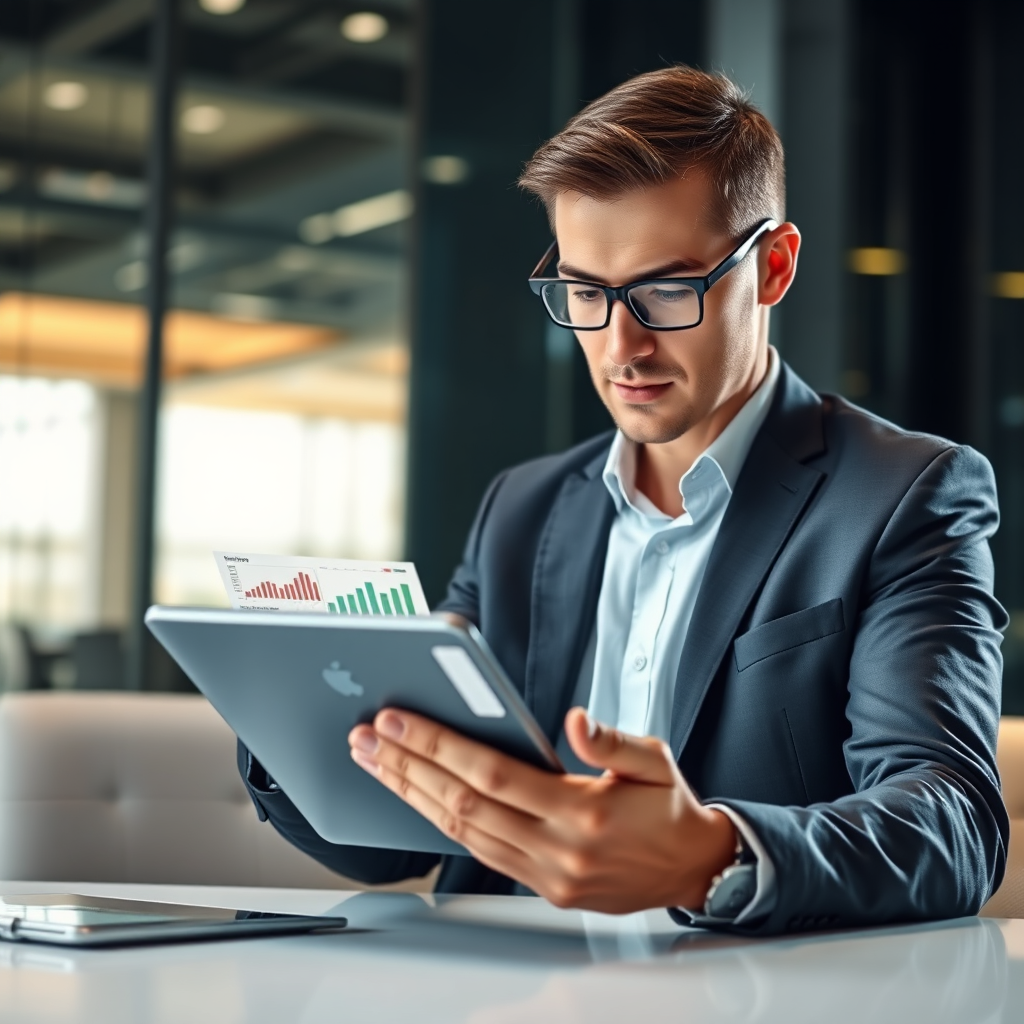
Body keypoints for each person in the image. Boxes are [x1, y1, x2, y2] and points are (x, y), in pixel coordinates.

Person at [238, 66, 1008, 934]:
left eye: (666, 291)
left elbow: (954, 826)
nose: (620, 345)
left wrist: (712, 856)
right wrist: (296, 719)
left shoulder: (904, 495)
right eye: (585, 293)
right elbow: (391, 849)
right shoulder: (520, 511)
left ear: (775, 267)